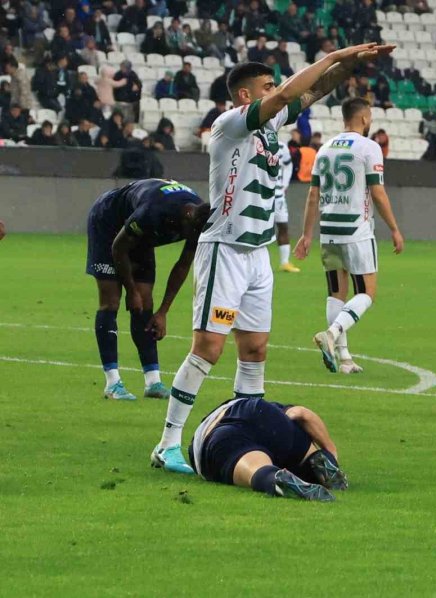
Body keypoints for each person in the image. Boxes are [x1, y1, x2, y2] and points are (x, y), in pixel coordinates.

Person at [150, 44, 393, 475]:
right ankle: (168, 444)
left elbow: (314, 91)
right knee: (208, 348)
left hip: (257, 256)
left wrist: (350, 66)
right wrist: (338, 51)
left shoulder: (269, 124)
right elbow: (285, 95)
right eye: (265, 86)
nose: (275, 91)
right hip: (224, 249)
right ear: (246, 96)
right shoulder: (230, 125)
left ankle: (250, 429)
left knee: (255, 349)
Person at [295, 97, 405, 374]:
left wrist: (307, 234)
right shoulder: (369, 147)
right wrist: (393, 228)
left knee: (336, 293)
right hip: (356, 231)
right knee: (367, 293)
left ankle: (344, 359)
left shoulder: (325, 149)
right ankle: (331, 334)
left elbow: (313, 194)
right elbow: (377, 192)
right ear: (365, 118)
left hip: (328, 231)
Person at [85, 179, 210, 401]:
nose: (192, 239)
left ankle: (153, 382)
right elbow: (118, 248)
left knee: (145, 302)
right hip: (109, 223)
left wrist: (163, 312)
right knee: (111, 300)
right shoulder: (153, 212)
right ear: (186, 218)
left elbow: (183, 265)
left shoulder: (201, 221)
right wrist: (130, 290)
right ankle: (112, 383)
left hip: (142, 234)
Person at [188, 396, 348, 501]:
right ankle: (317, 459)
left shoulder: (200, 437)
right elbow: (302, 414)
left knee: (256, 468)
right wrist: (331, 451)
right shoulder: (275, 407)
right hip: (264, 414)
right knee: (303, 454)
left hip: (216, 436)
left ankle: (275, 478)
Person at [273, 140, 301, 273]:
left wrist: (285, 185)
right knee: (255, 229)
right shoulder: (253, 142)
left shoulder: (281, 146)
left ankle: (285, 262)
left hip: (278, 195)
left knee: (283, 226)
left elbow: (288, 165)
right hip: (259, 196)